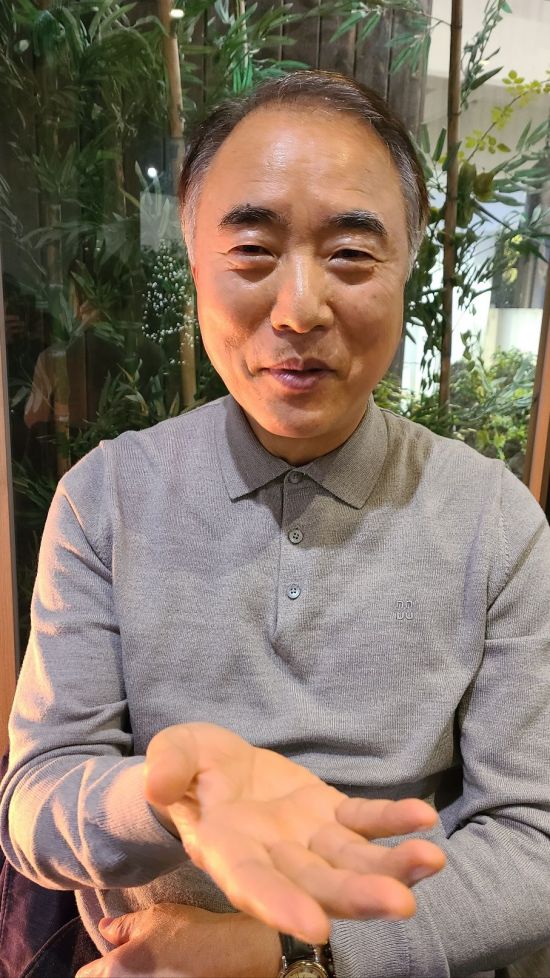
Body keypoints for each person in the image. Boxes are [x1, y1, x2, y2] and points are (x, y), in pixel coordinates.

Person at [1, 69, 550, 978]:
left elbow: (535, 842)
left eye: (351, 255)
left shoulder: (496, 524)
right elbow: (33, 803)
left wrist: (293, 951)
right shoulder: (104, 499)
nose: (298, 310)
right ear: (195, 267)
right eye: (252, 250)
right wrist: (161, 796)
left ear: (406, 270)